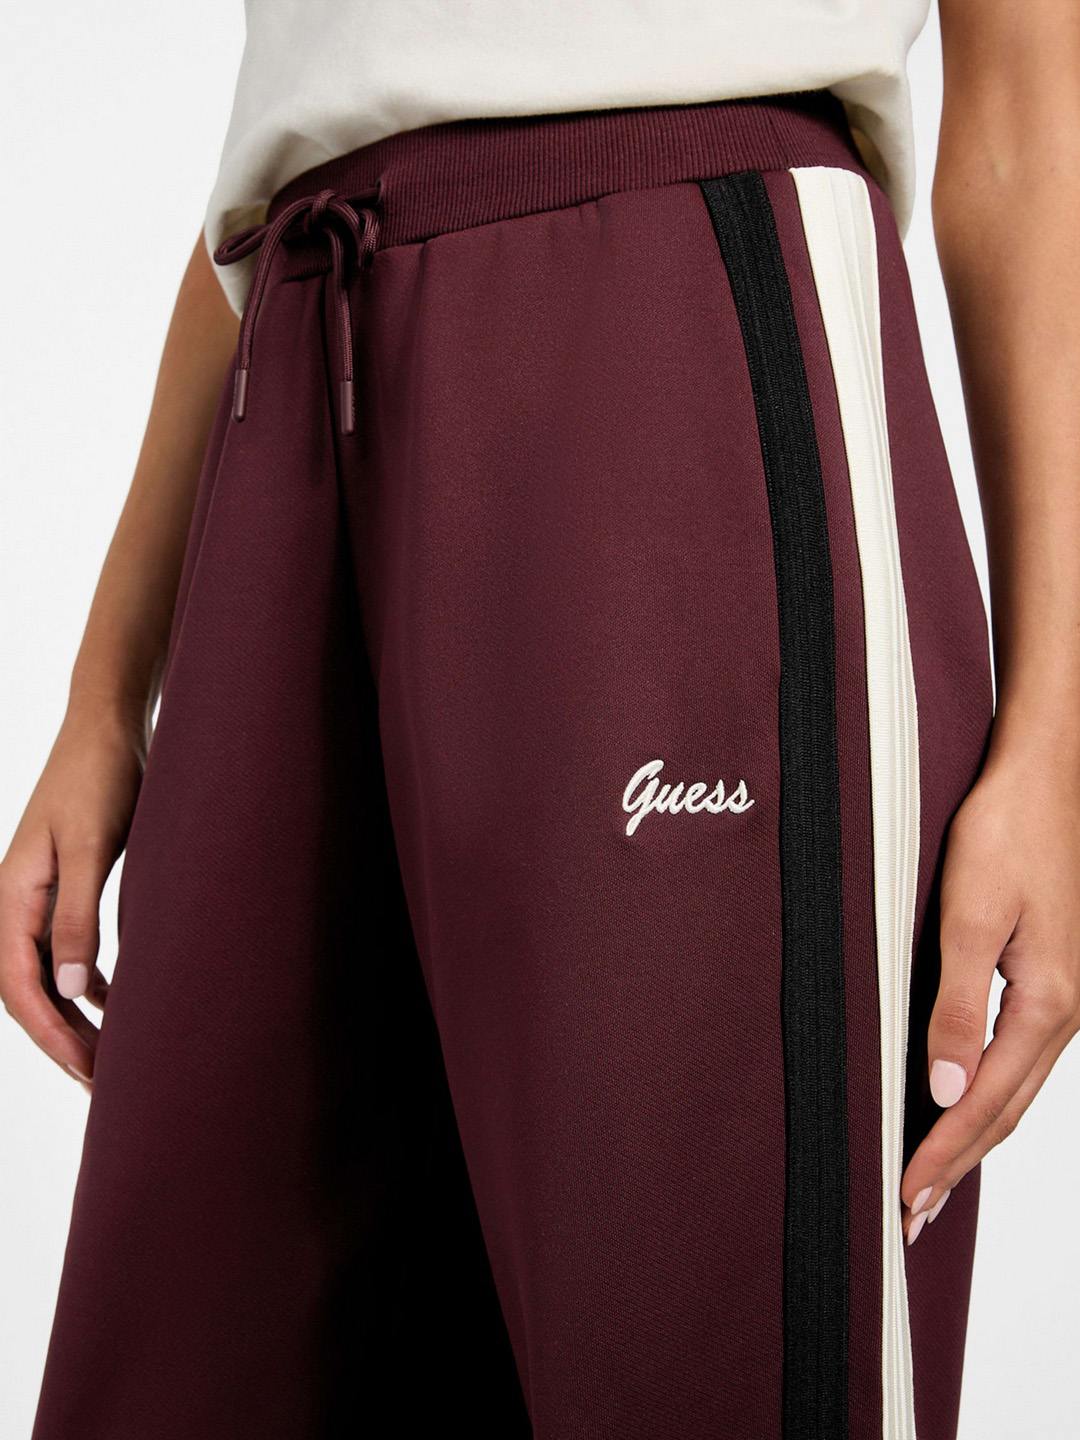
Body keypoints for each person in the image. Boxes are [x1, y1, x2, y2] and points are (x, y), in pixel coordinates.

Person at [3, 3, 1079, 1437]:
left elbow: (1026, 117)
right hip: (304, 359)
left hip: (680, 322)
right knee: (207, 1369)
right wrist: (104, 694)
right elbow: (289, 131)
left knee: (691, 1370)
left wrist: (1059, 734)